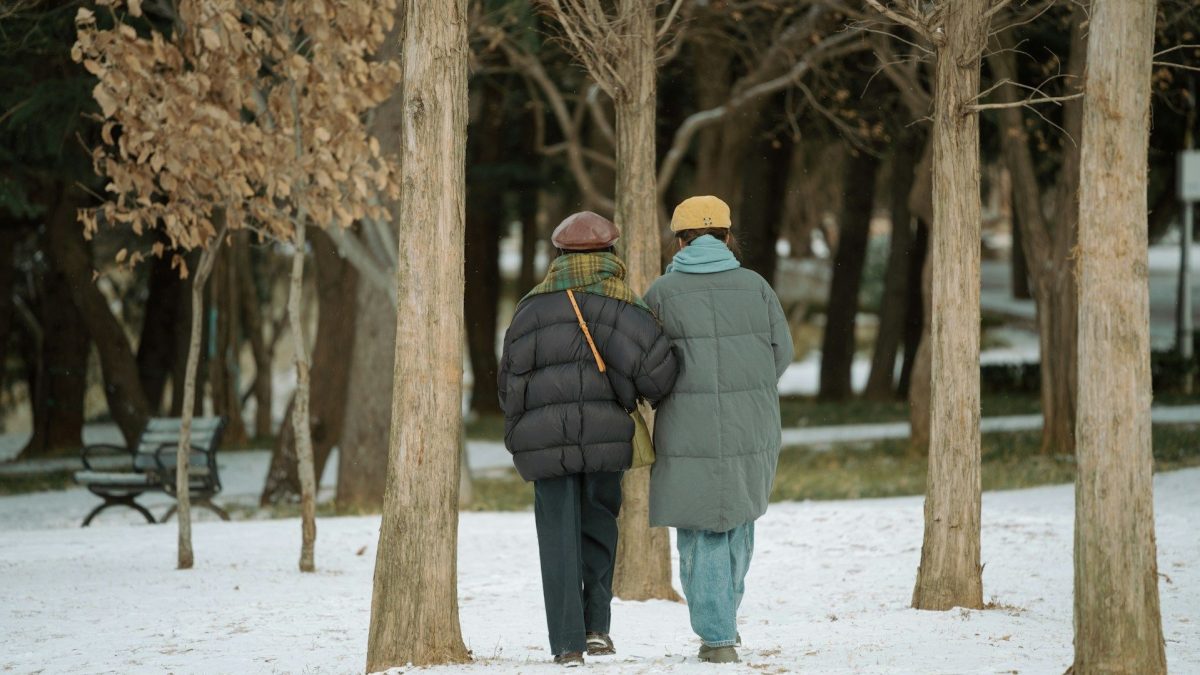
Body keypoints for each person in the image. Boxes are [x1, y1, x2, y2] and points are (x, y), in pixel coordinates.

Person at [498, 211, 679, 667]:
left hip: (543, 441)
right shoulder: (624, 305)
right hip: (606, 438)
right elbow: (659, 377)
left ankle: (567, 642)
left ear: (558, 254)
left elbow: (508, 384)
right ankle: (597, 626)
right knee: (599, 526)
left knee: (556, 536)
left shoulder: (530, 308)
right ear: (610, 252)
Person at [643, 195, 794, 664]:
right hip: (753, 420)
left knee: (699, 526)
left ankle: (717, 634)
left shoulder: (661, 293)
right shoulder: (756, 286)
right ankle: (724, 622)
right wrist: (749, 385)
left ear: (679, 241)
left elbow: (646, 364)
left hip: (687, 424)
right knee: (738, 520)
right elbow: (782, 352)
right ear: (728, 237)